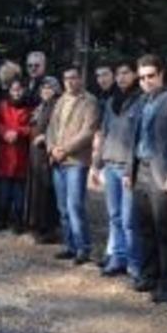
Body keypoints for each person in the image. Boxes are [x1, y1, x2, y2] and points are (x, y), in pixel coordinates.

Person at [123, 54, 167, 304]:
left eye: (151, 76)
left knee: (164, 233)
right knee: (144, 229)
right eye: (141, 77)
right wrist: (130, 172)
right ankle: (149, 277)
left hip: (163, 174)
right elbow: (134, 140)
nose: (146, 81)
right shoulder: (141, 101)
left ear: (161, 74)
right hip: (141, 172)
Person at [90, 61, 142, 278]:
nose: (121, 78)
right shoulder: (111, 101)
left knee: (130, 220)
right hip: (110, 165)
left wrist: (132, 170)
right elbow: (103, 134)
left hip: (128, 168)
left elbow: (140, 139)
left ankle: (134, 264)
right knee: (115, 216)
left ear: (135, 75)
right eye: (118, 73)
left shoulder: (140, 101)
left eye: (126, 73)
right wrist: (96, 165)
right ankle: (117, 258)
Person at [46, 65, 99, 265]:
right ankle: (69, 246)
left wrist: (65, 149)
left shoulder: (90, 101)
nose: (69, 81)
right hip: (57, 160)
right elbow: (51, 127)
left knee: (75, 205)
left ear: (81, 79)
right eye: (66, 78)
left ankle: (83, 248)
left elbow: (88, 131)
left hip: (76, 161)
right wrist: (52, 148)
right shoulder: (61, 100)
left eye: (73, 77)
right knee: (62, 207)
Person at [24, 77, 62, 243]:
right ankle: (37, 225)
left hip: (46, 153)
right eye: (43, 88)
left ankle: (48, 229)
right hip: (35, 153)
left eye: (49, 88)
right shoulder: (41, 106)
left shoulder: (56, 106)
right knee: (36, 189)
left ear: (55, 89)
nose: (46, 91)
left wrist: (45, 138)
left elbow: (60, 129)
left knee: (46, 192)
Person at [0, 79, 32, 233]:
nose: (16, 93)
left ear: (23, 90)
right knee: (4, 192)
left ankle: (18, 222)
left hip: (21, 155)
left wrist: (19, 132)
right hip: (4, 154)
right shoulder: (2, 106)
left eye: (19, 90)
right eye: (13, 90)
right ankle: (2, 218)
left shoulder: (29, 108)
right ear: (9, 91)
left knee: (19, 194)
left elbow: (32, 127)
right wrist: (4, 132)